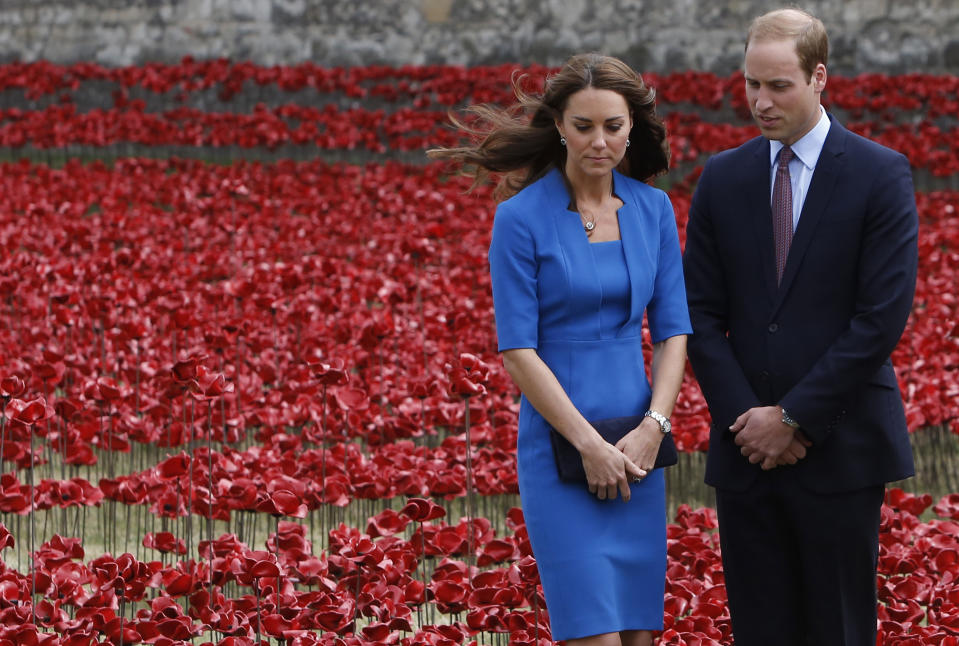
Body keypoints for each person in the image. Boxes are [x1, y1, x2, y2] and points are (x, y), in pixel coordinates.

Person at [430, 53, 691, 645]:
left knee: (639, 635)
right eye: (583, 126)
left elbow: (673, 331)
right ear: (558, 126)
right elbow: (518, 350)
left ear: (632, 128)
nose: (599, 141)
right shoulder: (519, 219)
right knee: (591, 633)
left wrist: (655, 424)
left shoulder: (653, 210)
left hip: (638, 445)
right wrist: (588, 445)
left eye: (613, 126)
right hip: (560, 443)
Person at [682, 8, 918, 646]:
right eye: (751, 84)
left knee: (839, 630)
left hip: (840, 446)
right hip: (745, 453)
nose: (760, 101)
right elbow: (697, 312)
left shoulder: (880, 173)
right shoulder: (723, 178)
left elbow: (880, 318)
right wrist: (749, 422)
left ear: (819, 77)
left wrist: (792, 418)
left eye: (778, 85)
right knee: (759, 630)